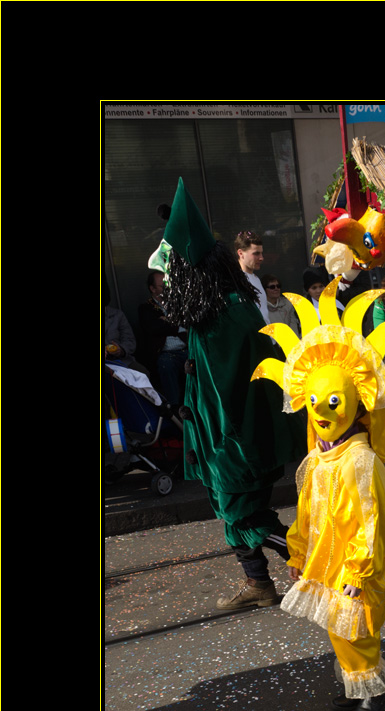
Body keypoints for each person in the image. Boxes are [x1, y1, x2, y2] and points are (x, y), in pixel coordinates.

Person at [252, 290, 385, 711]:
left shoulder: (361, 460)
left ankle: (373, 689)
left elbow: (373, 523)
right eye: (315, 402)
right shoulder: (319, 457)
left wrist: (359, 572)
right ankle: (364, 683)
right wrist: (299, 552)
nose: (321, 411)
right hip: (326, 561)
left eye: (333, 402)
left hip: (356, 568)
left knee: (357, 629)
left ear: (354, 404)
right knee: (339, 631)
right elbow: (307, 509)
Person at [150, 179, 305, 608]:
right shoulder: (219, 310)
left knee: (242, 514)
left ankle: (308, 557)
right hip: (230, 437)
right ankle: (259, 583)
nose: (168, 285)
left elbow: (227, 393)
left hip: (234, 439)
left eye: (173, 275)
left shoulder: (223, 318)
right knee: (234, 515)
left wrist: (219, 447)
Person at [137, 270, 187, 405]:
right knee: (167, 365)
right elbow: (154, 328)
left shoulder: (178, 304)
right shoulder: (146, 308)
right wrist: (176, 325)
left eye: (169, 284)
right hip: (165, 353)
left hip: (186, 348)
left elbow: (189, 324)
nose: (168, 288)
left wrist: (166, 321)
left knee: (202, 362)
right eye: (163, 286)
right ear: (152, 289)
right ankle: (174, 408)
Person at [235, 231, 269, 323]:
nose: (261, 258)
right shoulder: (235, 281)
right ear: (240, 253)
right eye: (256, 253)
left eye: (261, 253)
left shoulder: (256, 278)